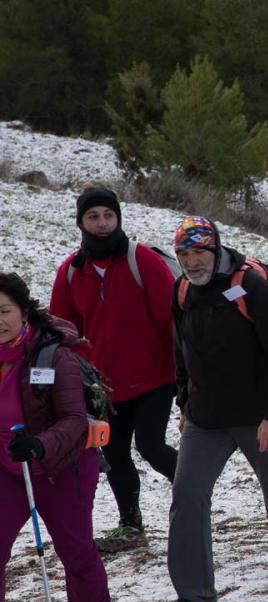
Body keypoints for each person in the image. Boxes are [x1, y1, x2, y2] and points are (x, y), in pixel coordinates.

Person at [146, 217, 268, 602]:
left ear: (216, 250)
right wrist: (185, 401)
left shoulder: (248, 284)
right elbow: (181, 350)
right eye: (184, 254)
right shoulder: (183, 290)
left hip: (260, 415)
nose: (192, 261)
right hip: (205, 419)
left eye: (199, 252)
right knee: (187, 499)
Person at [49, 186, 177, 553]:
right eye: (94, 217)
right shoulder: (72, 272)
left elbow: (173, 320)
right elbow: (64, 331)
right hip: (105, 385)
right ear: (81, 222)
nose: (103, 224)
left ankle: (194, 495)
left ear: (118, 218)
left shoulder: (143, 260)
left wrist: (189, 373)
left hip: (156, 376)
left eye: (109, 216)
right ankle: (131, 526)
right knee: (116, 455)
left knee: (151, 446)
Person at [0, 273, 115, 602]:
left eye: (4, 311)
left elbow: (74, 420)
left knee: (75, 549)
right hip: (7, 467)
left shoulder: (52, 355)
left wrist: (38, 445)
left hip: (62, 465)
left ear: (23, 311)